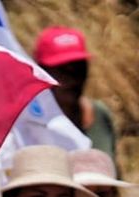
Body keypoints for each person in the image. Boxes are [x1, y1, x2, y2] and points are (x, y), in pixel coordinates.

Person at [34, 26, 116, 158]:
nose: (72, 80)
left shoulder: (100, 115)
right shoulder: (32, 125)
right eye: (62, 71)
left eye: (79, 68)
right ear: (42, 72)